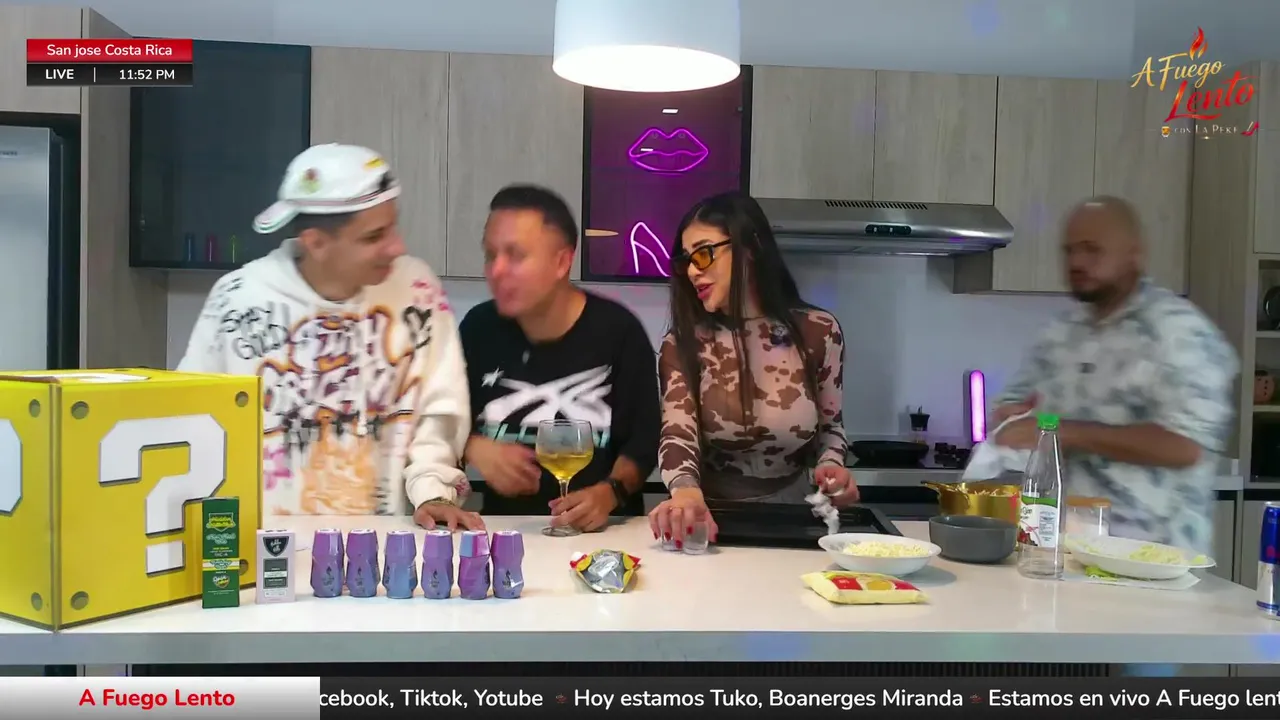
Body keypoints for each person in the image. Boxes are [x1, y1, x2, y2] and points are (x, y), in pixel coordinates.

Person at [177, 143, 482, 531]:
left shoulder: (416, 290)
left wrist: (433, 492)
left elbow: (439, 408)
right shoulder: (237, 300)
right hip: (264, 543)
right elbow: (193, 425)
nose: (397, 247)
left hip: (382, 544)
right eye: (374, 236)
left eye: (393, 226)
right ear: (316, 243)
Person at [993, 195, 1238, 556]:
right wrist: (1010, 418)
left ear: (1134, 254)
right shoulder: (1061, 333)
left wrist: (1063, 431)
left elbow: (1186, 446)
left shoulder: (1179, 332)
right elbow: (1014, 408)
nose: (1077, 262)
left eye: (1092, 249)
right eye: (1070, 251)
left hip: (1153, 563)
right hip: (1064, 554)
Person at [649, 192, 856, 547]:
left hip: (797, 519)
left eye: (703, 253)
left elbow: (830, 428)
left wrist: (832, 465)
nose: (693, 271)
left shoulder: (819, 332)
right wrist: (684, 491)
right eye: (686, 260)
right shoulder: (683, 344)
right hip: (710, 522)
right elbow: (678, 434)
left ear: (750, 248)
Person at [459, 184, 659, 531]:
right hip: (506, 535)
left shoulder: (619, 332)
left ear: (562, 261)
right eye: (491, 255)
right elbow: (435, 420)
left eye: (515, 255)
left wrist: (609, 492)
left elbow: (643, 445)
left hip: (603, 537)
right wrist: (471, 446)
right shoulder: (478, 329)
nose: (496, 270)